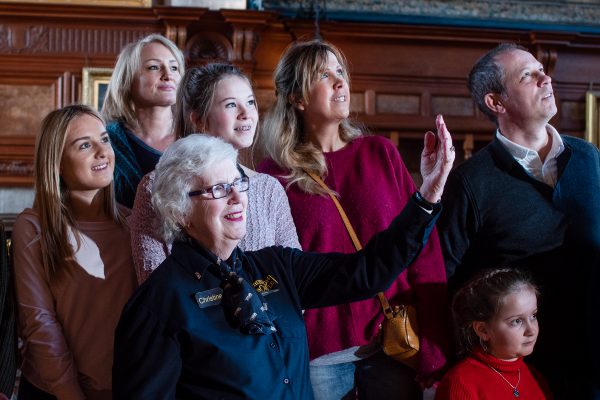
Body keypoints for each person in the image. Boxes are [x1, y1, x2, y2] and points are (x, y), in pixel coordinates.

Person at [112, 128, 454, 400]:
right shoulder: (158, 303)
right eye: (218, 189)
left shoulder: (276, 266)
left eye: (238, 183)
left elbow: (368, 272)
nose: (236, 197)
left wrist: (426, 198)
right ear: (179, 210)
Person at [257, 39, 449, 399]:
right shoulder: (273, 175)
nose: (340, 81)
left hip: (393, 342)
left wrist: (435, 344)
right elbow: (272, 274)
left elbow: (424, 250)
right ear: (297, 98)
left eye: (340, 72)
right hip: (318, 355)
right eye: (324, 75)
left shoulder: (380, 154)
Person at [437, 43, 600, 399]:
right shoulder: (470, 181)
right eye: (528, 75)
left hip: (592, 358)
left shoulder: (587, 157)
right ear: (497, 102)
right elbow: (442, 278)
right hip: (520, 370)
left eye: (542, 70)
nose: (546, 78)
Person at [129, 63, 301, 283]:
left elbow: (293, 278)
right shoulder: (155, 187)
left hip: (269, 317)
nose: (246, 114)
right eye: (231, 105)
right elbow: (156, 287)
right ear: (199, 120)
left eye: (250, 102)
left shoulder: (269, 188)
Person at [12, 105, 137, 399]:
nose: (102, 151)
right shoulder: (33, 227)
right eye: (84, 145)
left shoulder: (135, 224)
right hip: (53, 391)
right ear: (56, 163)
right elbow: (39, 324)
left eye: (104, 139)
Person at [435, 268, 553, 399]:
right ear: (483, 330)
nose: (531, 330)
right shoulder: (461, 382)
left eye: (533, 315)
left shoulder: (535, 377)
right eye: (516, 321)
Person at [103, 33, 184, 208]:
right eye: (154, 67)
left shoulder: (197, 135)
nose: (168, 75)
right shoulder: (106, 140)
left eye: (174, 68)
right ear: (127, 80)